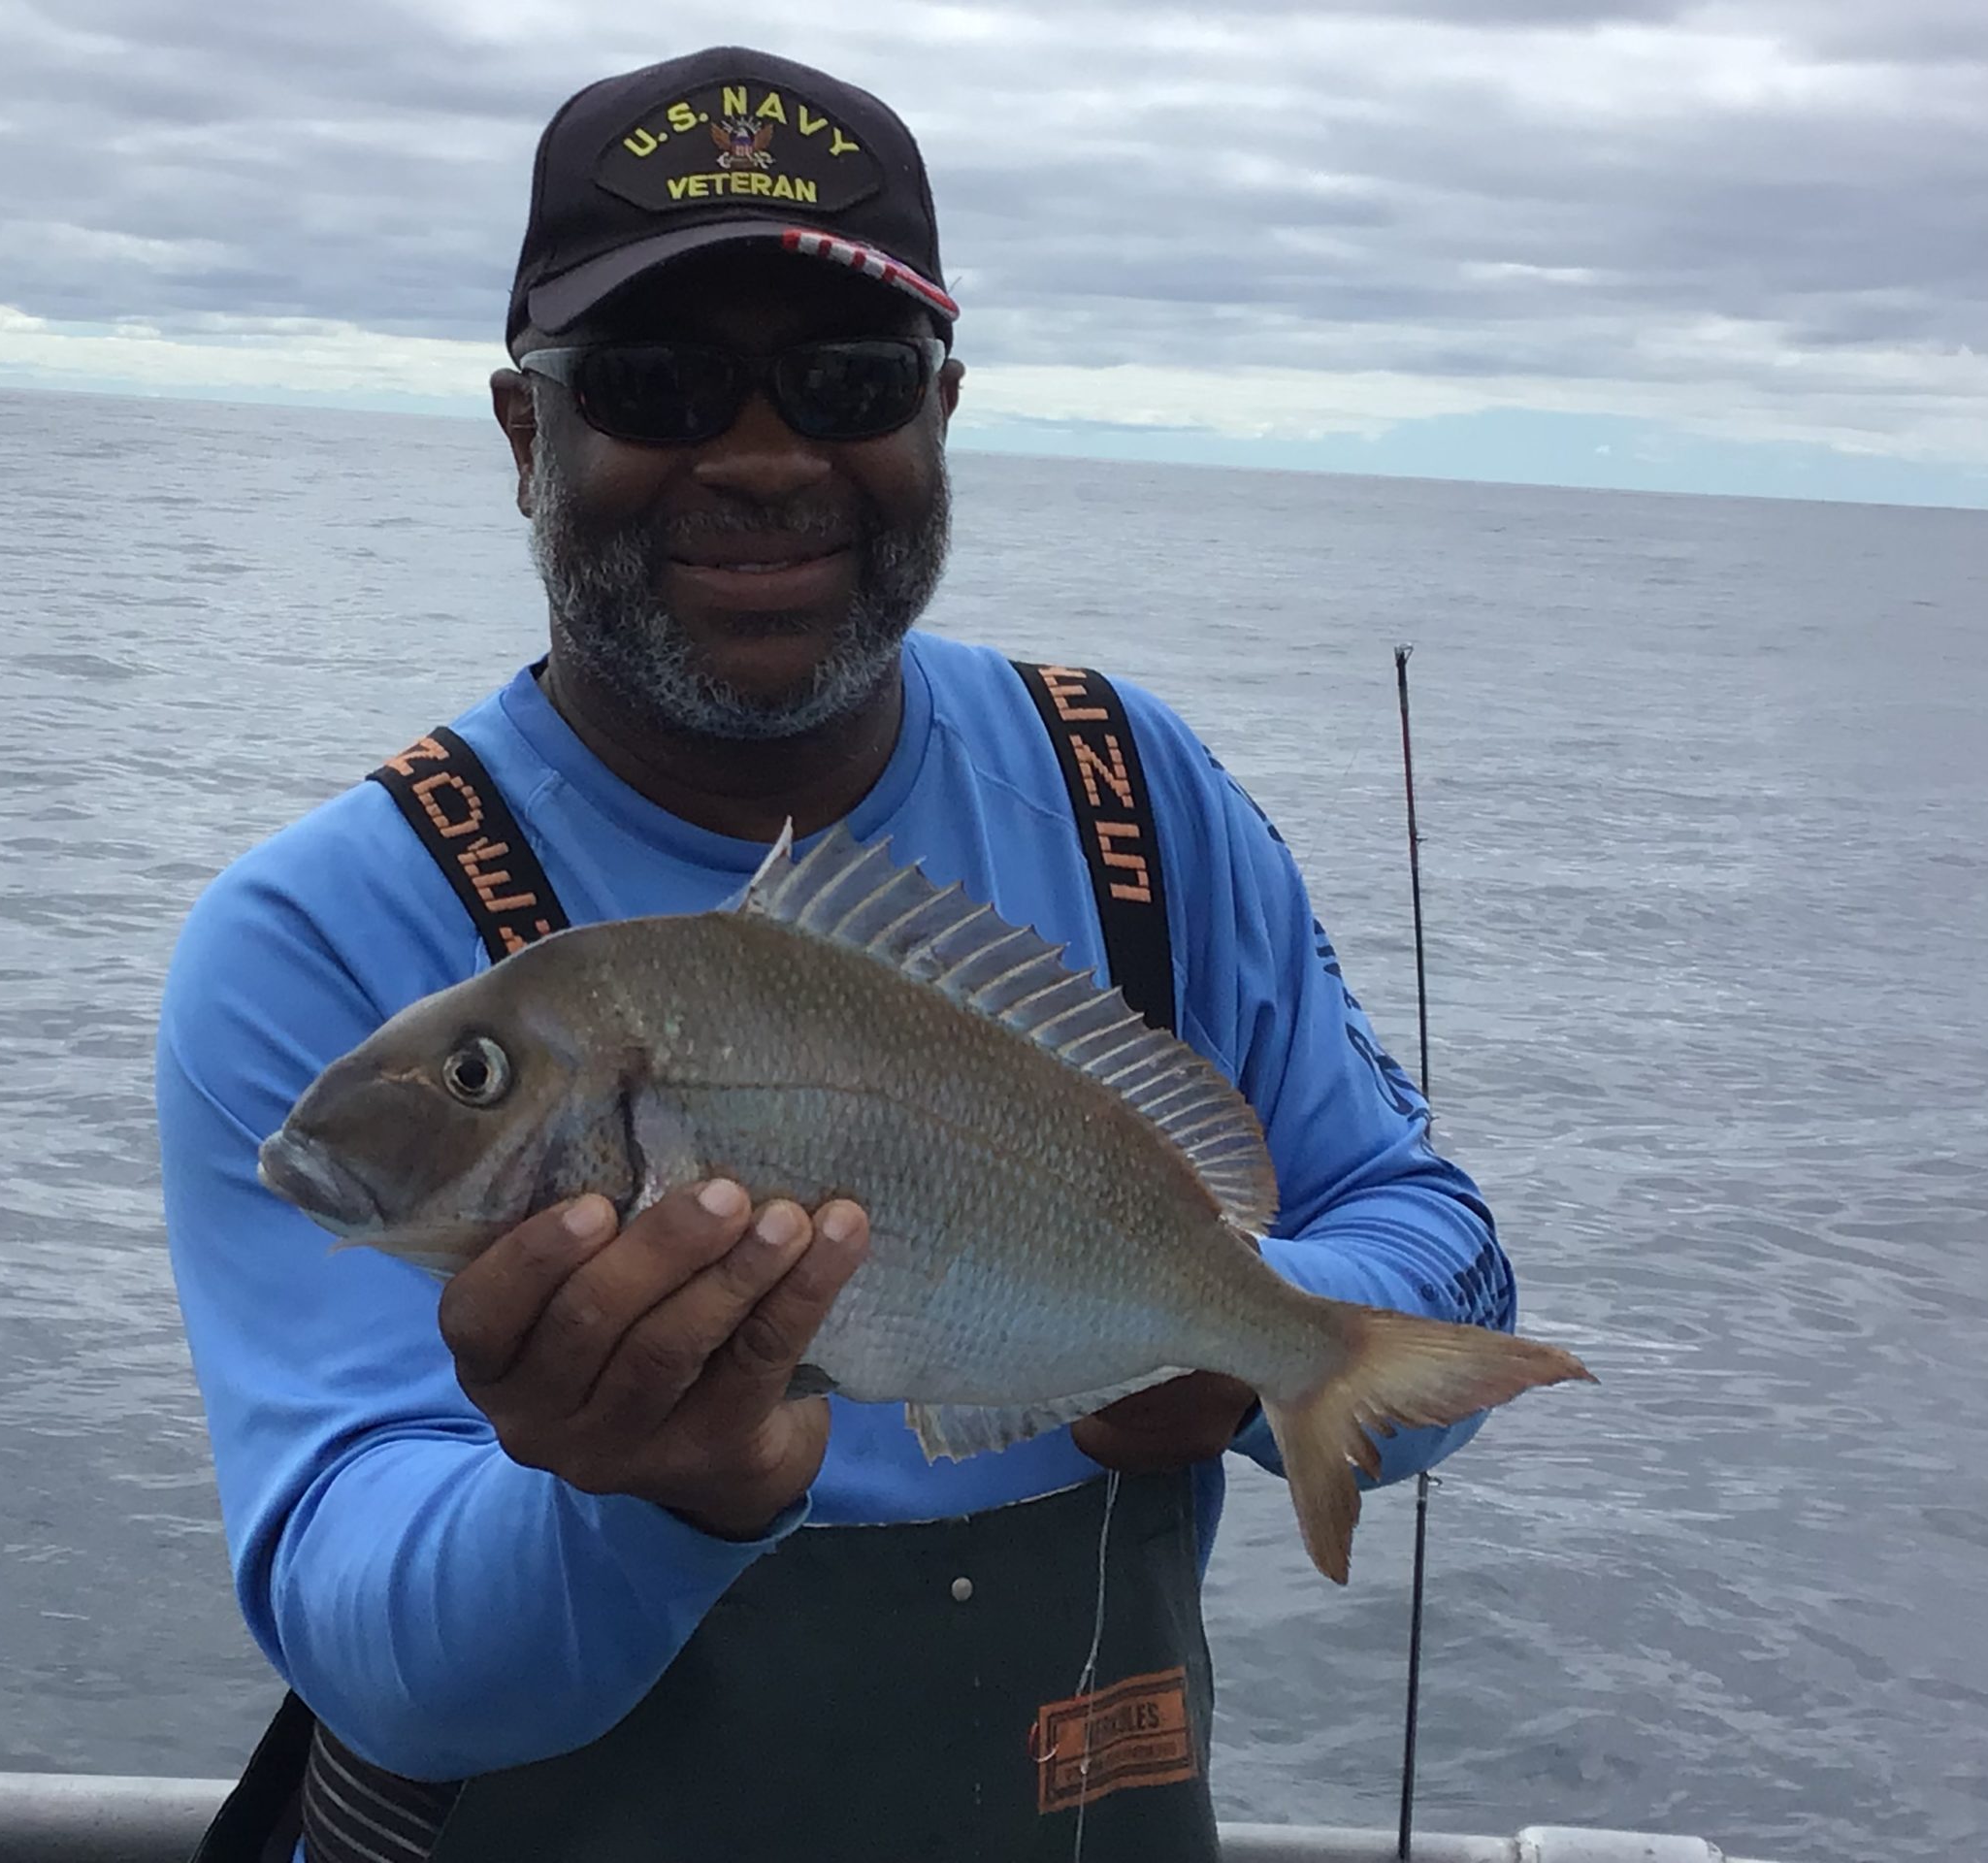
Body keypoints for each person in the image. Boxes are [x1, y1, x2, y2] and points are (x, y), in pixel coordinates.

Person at [157, 43, 1520, 1863]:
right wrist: (651, 1499)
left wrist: (1243, 1332)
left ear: (940, 410)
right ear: (524, 433)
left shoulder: (1133, 795)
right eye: (654, 381)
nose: (762, 455)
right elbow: (365, 1635)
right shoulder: (322, 931)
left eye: (850, 380)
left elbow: (1442, 1250)